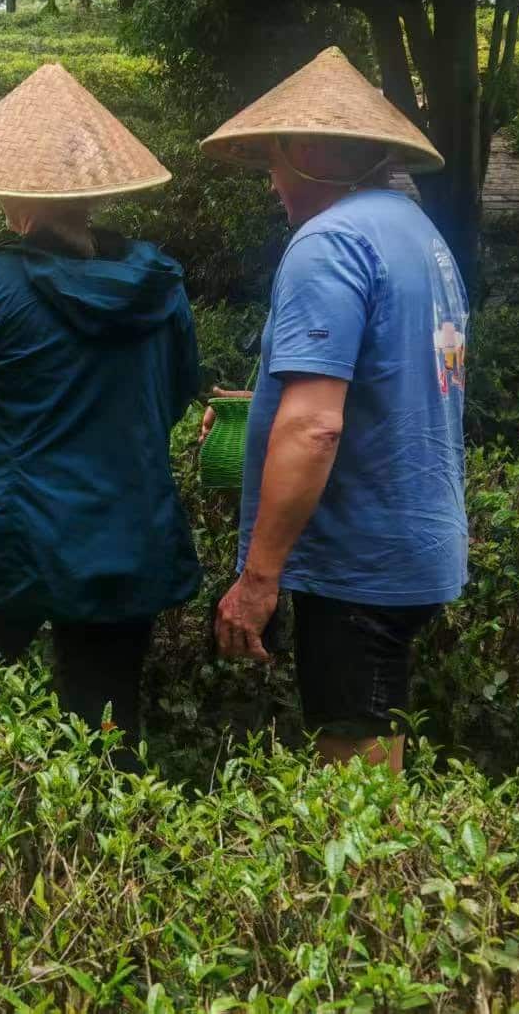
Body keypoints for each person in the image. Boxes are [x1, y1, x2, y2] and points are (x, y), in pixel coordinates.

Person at [0, 63, 204, 768]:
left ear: (17, 203)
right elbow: (175, 395)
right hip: (122, 540)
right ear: (95, 196)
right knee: (108, 737)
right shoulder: (160, 284)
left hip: (5, 540)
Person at [199, 47, 469, 772]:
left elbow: (316, 424)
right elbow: (384, 380)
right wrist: (261, 406)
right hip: (414, 543)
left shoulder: (328, 243)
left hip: (358, 560)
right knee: (372, 745)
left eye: (276, 161)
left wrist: (258, 579)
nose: (273, 182)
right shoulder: (416, 232)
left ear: (313, 152)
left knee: (357, 793)